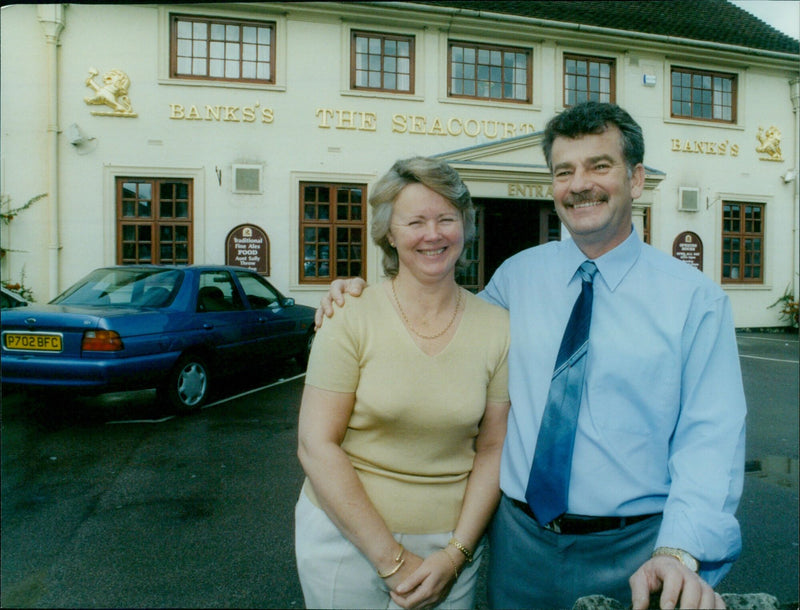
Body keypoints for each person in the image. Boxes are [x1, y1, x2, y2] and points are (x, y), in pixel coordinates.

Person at [315, 102, 746, 610]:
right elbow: (443, 323)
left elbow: (711, 437)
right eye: (564, 171)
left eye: (599, 166)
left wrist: (679, 551)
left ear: (636, 179)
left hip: (637, 552)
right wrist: (360, 294)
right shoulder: (515, 279)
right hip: (519, 542)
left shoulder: (695, 301)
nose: (579, 184)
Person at [295, 156, 511, 609]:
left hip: (450, 550)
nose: (432, 234)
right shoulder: (349, 317)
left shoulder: (499, 328)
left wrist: (456, 556)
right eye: (414, 221)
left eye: (446, 219)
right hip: (344, 541)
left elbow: (493, 449)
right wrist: (391, 559)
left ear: (465, 227)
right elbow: (316, 445)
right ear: (389, 234)